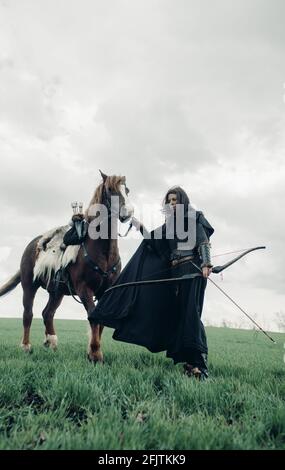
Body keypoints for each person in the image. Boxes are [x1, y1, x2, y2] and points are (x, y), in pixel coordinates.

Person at [88, 186, 214, 380]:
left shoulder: (192, 218)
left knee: (191, 313)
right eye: (169, 201)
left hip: (192, 271)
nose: (172, 204)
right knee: (180, 315)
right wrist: (141, 228)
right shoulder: (168, 226)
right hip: (175, 273)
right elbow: (155, 244)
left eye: (175, 200)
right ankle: (189, 362)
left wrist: (206, 263)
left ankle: (200, 365)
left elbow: (203, 241)